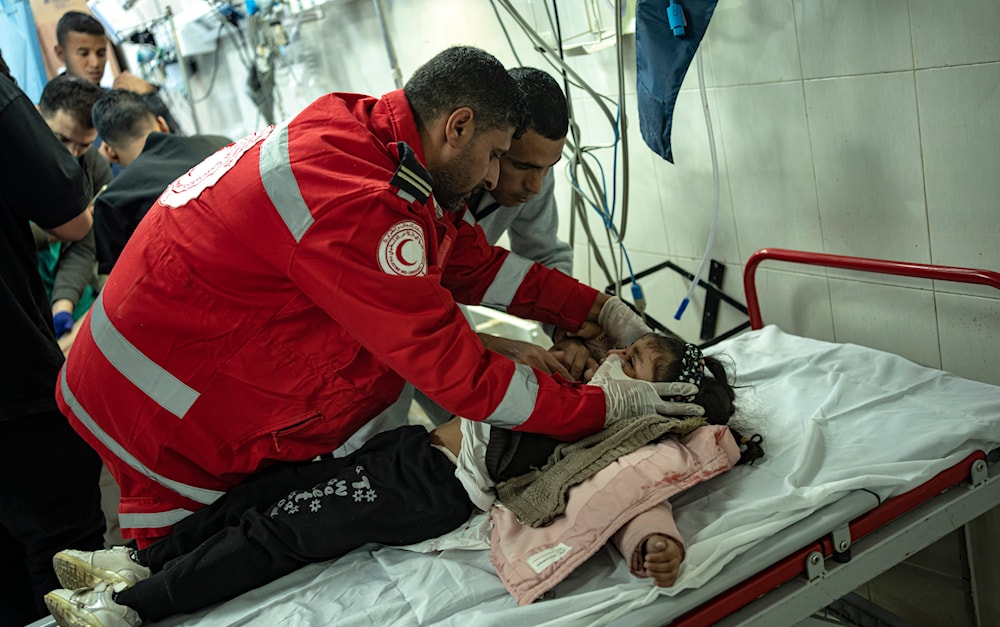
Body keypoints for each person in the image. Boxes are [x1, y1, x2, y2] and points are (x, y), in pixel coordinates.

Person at [56, 45, 703, 549]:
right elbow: (466, 379)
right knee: (198, 567)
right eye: (496, 158)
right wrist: (597, 406)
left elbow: (472, 264)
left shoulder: (371, 138)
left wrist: (595, 310)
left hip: (169, 366)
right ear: (458, 126)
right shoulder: (366, 202)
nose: (495, 179)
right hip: (159, 409)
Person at [43, 331, 750, 627]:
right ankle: (137, 562)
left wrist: (658, 541)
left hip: (428, 487)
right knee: (269, 491)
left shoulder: (624, 430)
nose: (616, 354)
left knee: (280, 531)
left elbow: (633, 491)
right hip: (412, 451)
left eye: (634, 362)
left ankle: (129, 611)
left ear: (659, 398)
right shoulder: (584, 390)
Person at [341, 66, 585, 447]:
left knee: (483, 436)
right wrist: (486, 347)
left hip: (441, 313)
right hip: (374, 334)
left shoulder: (531, 177)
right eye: (519, 165)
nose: (535, 187)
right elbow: (402, 328)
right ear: (483, 138)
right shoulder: (403, 192)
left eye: (546, 168)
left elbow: (540, 256)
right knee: (376, 443)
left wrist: (571, 331)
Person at [0, 51, 106, 627]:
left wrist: (65, 307)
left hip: (47, 330)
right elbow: (73, 218)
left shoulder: (101, 166)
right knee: (70, 559)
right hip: (13, 387)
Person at [89, 89, 232, 273]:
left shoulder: (113, 201)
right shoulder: (222, 146)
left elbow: (123, 287)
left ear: (110, 153)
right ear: (162, 124)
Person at [32, 75, 111, 340]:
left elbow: (84, 243)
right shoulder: (12, 162)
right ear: (36, 115)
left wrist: (62, 307)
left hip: (71, 293)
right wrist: (55, 231)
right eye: (62, 139)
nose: (71, 154)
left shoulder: (94, 169)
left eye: (84, 145)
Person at [54, 11, 181, 134]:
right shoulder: (52, 111)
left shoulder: (119, 102)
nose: (95, 63)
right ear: (60, 54)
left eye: (101, 53)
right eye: (83, 53)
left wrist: (150, 96)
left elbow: (172, 143)